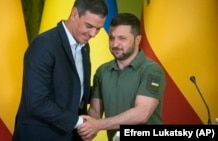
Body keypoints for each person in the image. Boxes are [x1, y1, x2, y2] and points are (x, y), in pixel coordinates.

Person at [12, 0, 108, 141]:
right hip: (39, 136)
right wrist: (81, 123)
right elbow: (37, 102)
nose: (93, 34)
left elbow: (75, 90)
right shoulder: (43, 45)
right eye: (89, 26)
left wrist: (108, 90)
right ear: (74, 14)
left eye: (98, 29)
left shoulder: (84, 47)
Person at [77, 13, 166, 141]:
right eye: (111, 38)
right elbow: (95, 111)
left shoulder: (151, 70)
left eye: (122, 38)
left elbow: (142, 114)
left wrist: (98, 125)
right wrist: (87, 130)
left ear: (137, 40)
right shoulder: (102, 71)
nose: (115, 44)